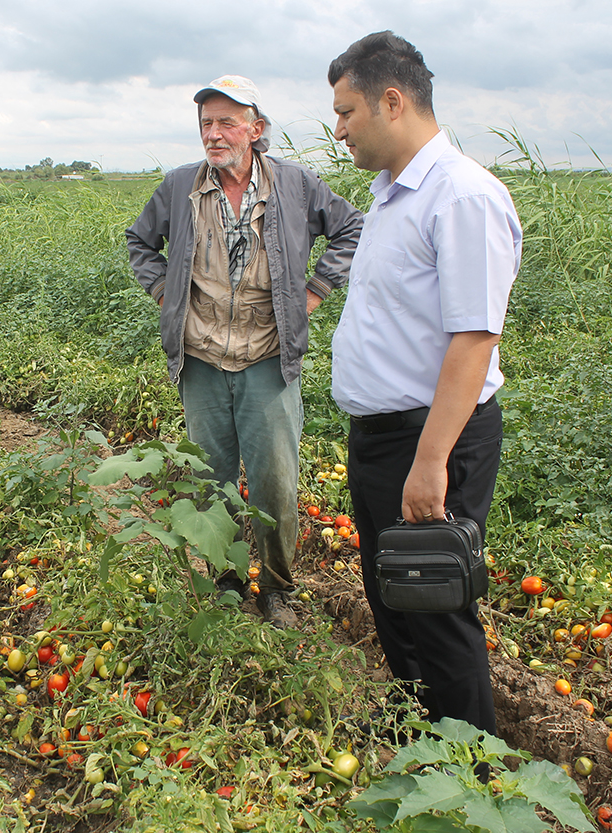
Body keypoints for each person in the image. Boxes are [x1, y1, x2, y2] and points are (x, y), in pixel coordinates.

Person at [327, 32, 522, 732]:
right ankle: (418, 729)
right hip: (383, 435)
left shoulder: (462, 195)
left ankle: (470, 763)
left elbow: (473, 340)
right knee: (395, 596)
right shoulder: (391, 195)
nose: (340, 129)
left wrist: (431, 460)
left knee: (437, 604)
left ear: (392, 99)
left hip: (430, 436)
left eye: (347, 112)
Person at [127, 75, 364, 628]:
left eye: (226, 122)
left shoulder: (296, 185)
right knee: (212, 478)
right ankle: (226, 577)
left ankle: (278, 588)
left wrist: (313, 292)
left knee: (276, 480)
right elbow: (141, 243)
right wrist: (166, 292)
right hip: (202, 358)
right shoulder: (181, 187)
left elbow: (351, 228)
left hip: (267, 357)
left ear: (255, 130)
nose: (214, 134)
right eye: (206, 123)